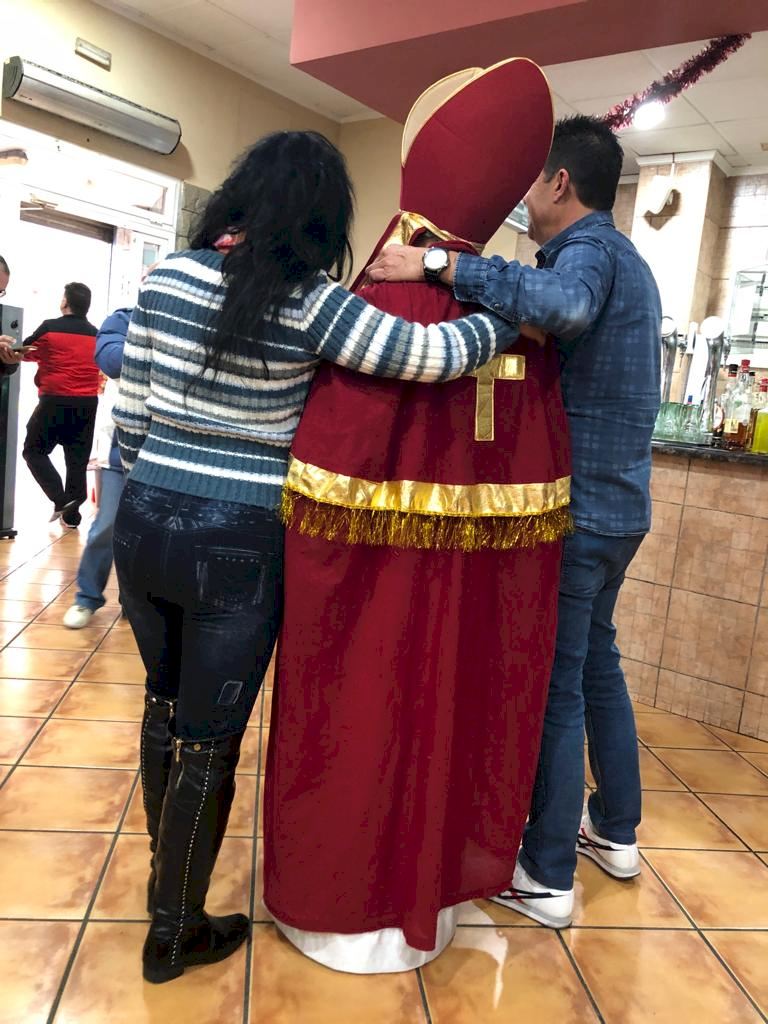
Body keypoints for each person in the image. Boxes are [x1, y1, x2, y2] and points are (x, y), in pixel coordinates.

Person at [111, 130, 521, 985]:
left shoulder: (168, 278)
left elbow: (133, 415)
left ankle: (166, 889)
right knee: (208, 738)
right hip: (239, 538)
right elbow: (429, 357)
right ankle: (173, 927)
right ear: (321, 218)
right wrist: (503, 318)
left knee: (161, 704)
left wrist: (155, 482)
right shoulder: (312, 302)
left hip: (144, 519)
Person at [264, 59, 570, 974]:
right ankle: (430, 880)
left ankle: (346, 889)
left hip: (360, 582)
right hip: (457, 576)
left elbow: (323, 462)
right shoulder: (521, 319)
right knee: (461, 681)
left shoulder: (380, 290)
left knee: (359, 696)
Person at [369, 114, 662, 928]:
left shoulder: (588, 254)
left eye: (532, 182)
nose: (525, 199)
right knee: (598, 666)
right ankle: (617, 831)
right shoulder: (632, 261)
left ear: (559, 182)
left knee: (560, 687)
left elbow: (563, 306)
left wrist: (437, 263)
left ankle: (547, 874)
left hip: (582, 511)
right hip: (622, 510)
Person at [62, 306, 130, 627]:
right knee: (107, 524)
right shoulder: (123, 319)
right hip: (121, 448)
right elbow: (112, 362)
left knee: (151, 531)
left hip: (165, 450)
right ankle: (87, 597)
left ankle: (136, 602)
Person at [16, 283, 99, 527]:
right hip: (87, 404)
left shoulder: (50, 327)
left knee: (33, 450)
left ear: (65, 303)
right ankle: (72, 517)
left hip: (55, 400)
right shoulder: (96, 334)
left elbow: (25, 351)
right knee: (77, 460)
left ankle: (60, 500)